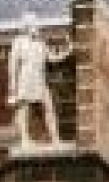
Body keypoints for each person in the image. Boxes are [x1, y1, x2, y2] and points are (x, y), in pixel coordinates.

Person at [8, 12, 71, 148]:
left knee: (49, 107)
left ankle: (55, 139)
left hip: (39, 77)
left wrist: (67, 50)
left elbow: (52, 58)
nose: (36, 26)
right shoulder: (18, 42)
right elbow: (13, 64)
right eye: (34, 23)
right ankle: (25, 139)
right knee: (24, 108)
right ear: (27, 25)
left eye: (36, 23)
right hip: (25, 77)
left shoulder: (40, 43)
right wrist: (12, 85)